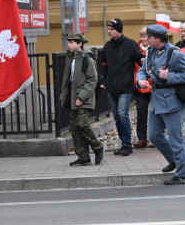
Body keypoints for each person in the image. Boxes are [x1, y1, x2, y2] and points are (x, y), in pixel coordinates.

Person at [137, 24, 185, 185]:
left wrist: (170, 75)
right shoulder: (150, 52)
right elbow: (143, 70)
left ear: (158, 38)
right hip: (157, 99)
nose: (146, 39)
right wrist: (139, 79)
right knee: (155, 135)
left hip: (172, 101)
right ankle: (173, 160)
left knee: (176, 139)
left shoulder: (175, 53)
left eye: (149, 37)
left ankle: (182, 174)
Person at [98, 18, 141, 156]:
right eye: (108, 29)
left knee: (123, 115)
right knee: (116, 116)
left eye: (112, 29)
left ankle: (127, 145)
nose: (109, 32)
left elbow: (140, 60)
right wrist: (104, 80)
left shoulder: (130, 44)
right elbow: (104, 65)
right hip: (111, 87)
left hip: (126, 86)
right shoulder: (107, 47)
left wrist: (144, 76)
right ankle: (123, 143)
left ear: (119, 30)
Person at [60, 33, 104, 166]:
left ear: (79, 44)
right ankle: (83, 156)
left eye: (72, 42)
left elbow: (92, 80)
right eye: (68, 42)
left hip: (83, 98)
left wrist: (81, 97)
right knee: (74, 127)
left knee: (82, 124)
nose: (69, 44)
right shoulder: (71, 58)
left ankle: (97, 147)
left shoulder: (87, 59)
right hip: (73, 97)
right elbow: (68, 79)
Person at [133, 27, 152, 148]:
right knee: (141, 111)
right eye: (141, 36)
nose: (142, 38)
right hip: (141, 86)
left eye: (145, 36)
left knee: (158, 112)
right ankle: (142, 138)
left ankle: (158, 136)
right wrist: (138, 81)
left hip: (155, 85)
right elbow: (134, 70)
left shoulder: (156, 49)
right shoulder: (136, 50)